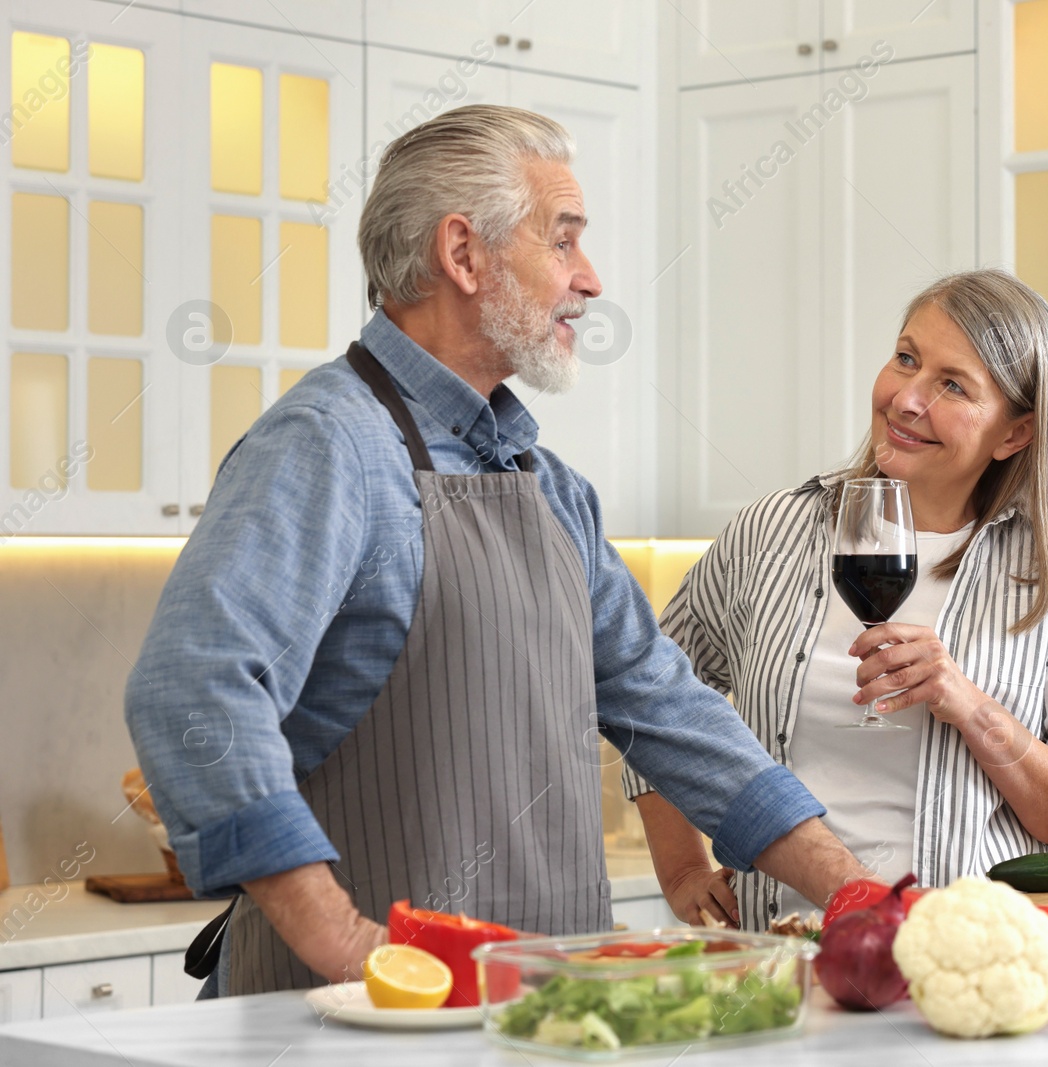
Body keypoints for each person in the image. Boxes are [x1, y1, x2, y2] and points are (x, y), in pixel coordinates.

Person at [124, 105, 870, 997]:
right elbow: (193, 689)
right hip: (358, 1024)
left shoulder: (548, 484)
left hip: (545, 1015)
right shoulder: (327, 446)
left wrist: (857, 890)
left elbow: (666, 707)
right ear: (463, 253)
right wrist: (344, 940)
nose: (590, 280)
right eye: (563, 241)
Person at [625, 270, 1048, 930]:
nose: (906, 398)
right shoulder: (772, 531)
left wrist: (969, 705)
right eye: (906, 358)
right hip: (778, 962)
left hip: (956, 957)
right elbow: (649, 696)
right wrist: (682, 869)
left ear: (1014, 434)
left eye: (953, 385)